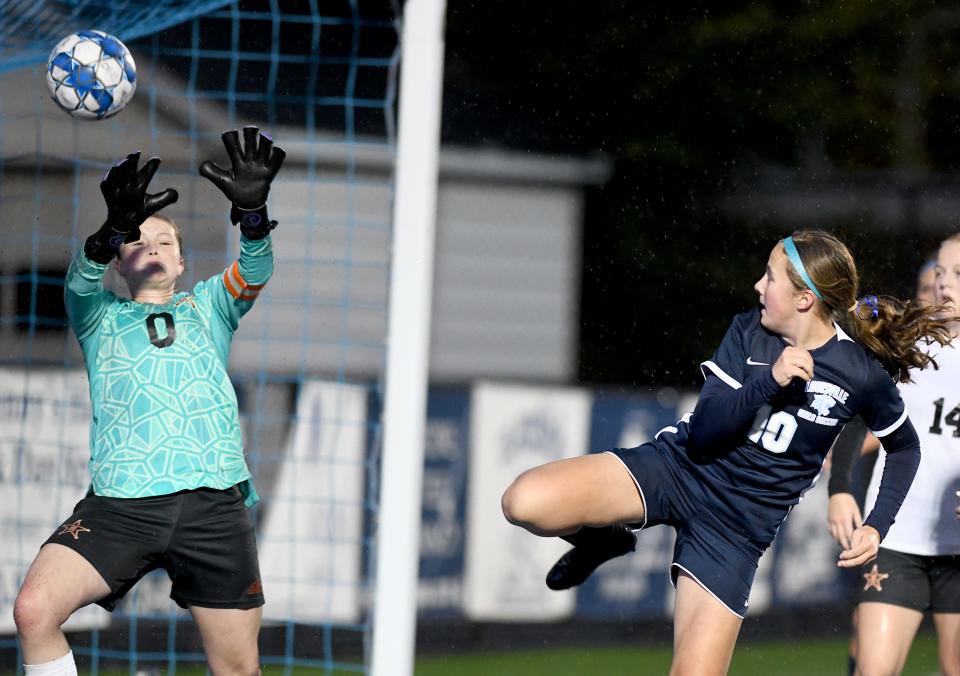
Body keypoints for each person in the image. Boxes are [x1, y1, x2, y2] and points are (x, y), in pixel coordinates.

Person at [501, 230, 952, 675]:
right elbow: (705, 432)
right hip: (679, 470)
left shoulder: (860, 373)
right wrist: (768, 381)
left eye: (770, 277)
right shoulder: (748, 330)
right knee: (523, 502)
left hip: (735, 530)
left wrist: (877, 524)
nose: (759, 285)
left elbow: (905, 447)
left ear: (804, 300)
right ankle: (605, 538)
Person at [12, 126, 285, 676]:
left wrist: (253, 215)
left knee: (237, 669)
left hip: (213, 504)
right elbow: (79, 285)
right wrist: (107, 231)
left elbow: (255, 270)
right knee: (33, 611)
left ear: (182, 264)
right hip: (121, 507)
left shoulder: (209, 306)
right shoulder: (99, 316)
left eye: (165, 242)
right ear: (118, 262)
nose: (152, 246)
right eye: (136, 240)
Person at [827, 236, 960, 676]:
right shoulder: (907, 341)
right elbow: (858, 418)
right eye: (940, 273)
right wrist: (841, 488)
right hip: (895, 539)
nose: (943, 285)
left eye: (958, 275)